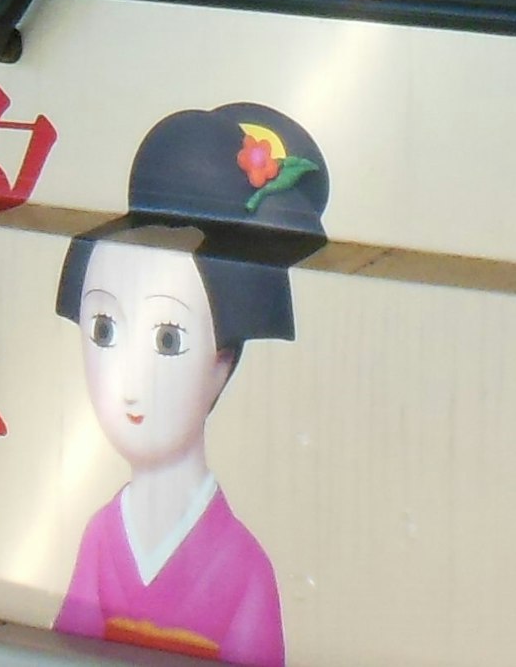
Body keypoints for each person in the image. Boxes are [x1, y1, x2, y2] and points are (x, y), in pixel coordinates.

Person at [53, 102, 330, 666]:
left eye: (168, 340)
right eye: (104, 328)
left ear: (223, 359)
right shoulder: (103, 536)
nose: (128, 379)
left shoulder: (244, 567)